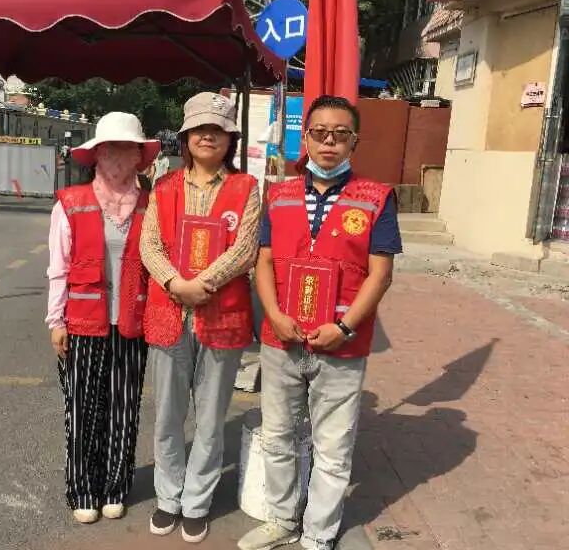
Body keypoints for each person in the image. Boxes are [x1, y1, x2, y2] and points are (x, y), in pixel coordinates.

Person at [238, 95, 402, 550]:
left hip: (342, 345)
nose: (329, 142)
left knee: (333, 446)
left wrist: (344, 327)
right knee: (278, 435)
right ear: (305, 138)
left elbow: (381, 274)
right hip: (281, 339)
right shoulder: (279, 195)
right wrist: (274, 315)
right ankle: (282, 519)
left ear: (354, 142)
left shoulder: (376, 199)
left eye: (340, 134)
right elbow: (263, 262)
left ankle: (319, 532)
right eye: (320, 133)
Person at [140, 92, 261, 544]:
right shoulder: (165, 186)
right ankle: (168, 497)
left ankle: (196, 502)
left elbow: (245, 249)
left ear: (230, 139)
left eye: (217, 129)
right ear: (186, 136)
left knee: (210, 419)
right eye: (199, 129)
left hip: (221, 315)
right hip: (169, 313)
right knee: (168, 416)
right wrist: (176, 283)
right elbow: (150, 244)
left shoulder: (246, 188)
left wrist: (201, 285)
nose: (208, 136)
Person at [46, 112, 160, 525]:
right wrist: (55, 321)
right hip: (83, 321)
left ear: (138, 158)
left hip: (132, 321)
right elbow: (58, 266)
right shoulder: (71, 203)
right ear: (95, 155)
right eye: (109, 149)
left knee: (124, 407)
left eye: (126, 149)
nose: (117, 157)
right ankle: (82, 488)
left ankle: (115, 486)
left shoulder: (150, 205)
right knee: (82, 409)